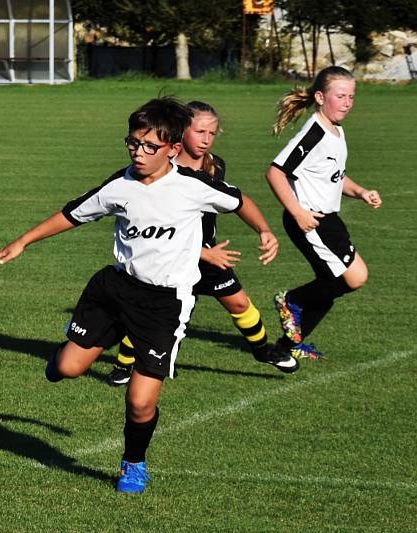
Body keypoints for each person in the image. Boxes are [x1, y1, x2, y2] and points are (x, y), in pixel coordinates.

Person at [0, 97, 243, 494]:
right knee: (69, 368)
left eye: (148, 146)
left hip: (164, 305)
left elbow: (240, 202)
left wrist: (266, 231)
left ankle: (134, 464)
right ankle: (67, 354)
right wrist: (23, 241)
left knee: (141, 401)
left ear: (172, 149)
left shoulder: (193, 187)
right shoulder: (119, 185)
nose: (138, 153)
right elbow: (72, 213)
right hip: (115, 290)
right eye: (132, 143)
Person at [106, 101, 298, 386]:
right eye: (200, 132)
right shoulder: (163, 172)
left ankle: (262, 351)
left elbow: (234, 201)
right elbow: (154, 226)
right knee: (148, 313)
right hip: (169, 257)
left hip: (209, 255)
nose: (207, 139)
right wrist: (201, 252)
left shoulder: (215, 166)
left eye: (213, 133)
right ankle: (124, 366)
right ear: (181, 133)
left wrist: (263, 230)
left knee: (239, 303)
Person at [267, 67, 381, 360]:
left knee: (334, 284)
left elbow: (333, 175)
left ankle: (288, 344)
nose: (347, 102)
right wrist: (298, 213)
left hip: (328, 219)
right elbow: (276, 172)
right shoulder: (315, 132)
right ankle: (291, 300)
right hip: (310, 220)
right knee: (349, 279)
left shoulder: (335, 129)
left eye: (351, 97)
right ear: (320, 97)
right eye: (340, 96)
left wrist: (360, 192)